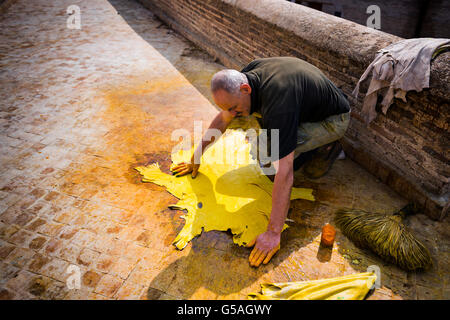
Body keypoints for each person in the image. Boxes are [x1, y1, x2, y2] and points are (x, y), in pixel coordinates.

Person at [171, 57, 351, 267]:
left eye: (235, 108)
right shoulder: (246, 78)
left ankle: (328, 147)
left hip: (332, 121)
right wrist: (197, 155)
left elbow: (285, 172)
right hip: (306, 108)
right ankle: (304, 144)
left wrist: (273, 233)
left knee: (269, 159)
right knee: (263, 146)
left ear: (246, 89)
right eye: (230, 108)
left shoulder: (278, 104)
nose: (234, 114)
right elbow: (223, 118)